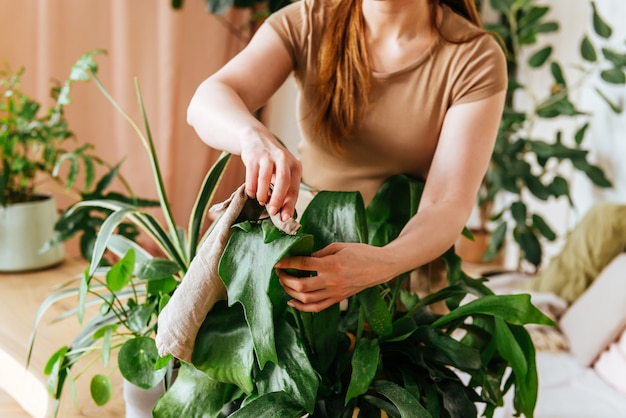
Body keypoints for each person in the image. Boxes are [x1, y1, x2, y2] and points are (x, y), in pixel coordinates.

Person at [187, 0, 507, 313]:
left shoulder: (474, 57)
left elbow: (446, 203)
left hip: (404, 287)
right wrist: (253, 139)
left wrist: (383, 262)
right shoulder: (309, 20)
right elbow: (206, 102)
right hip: (302, 266)